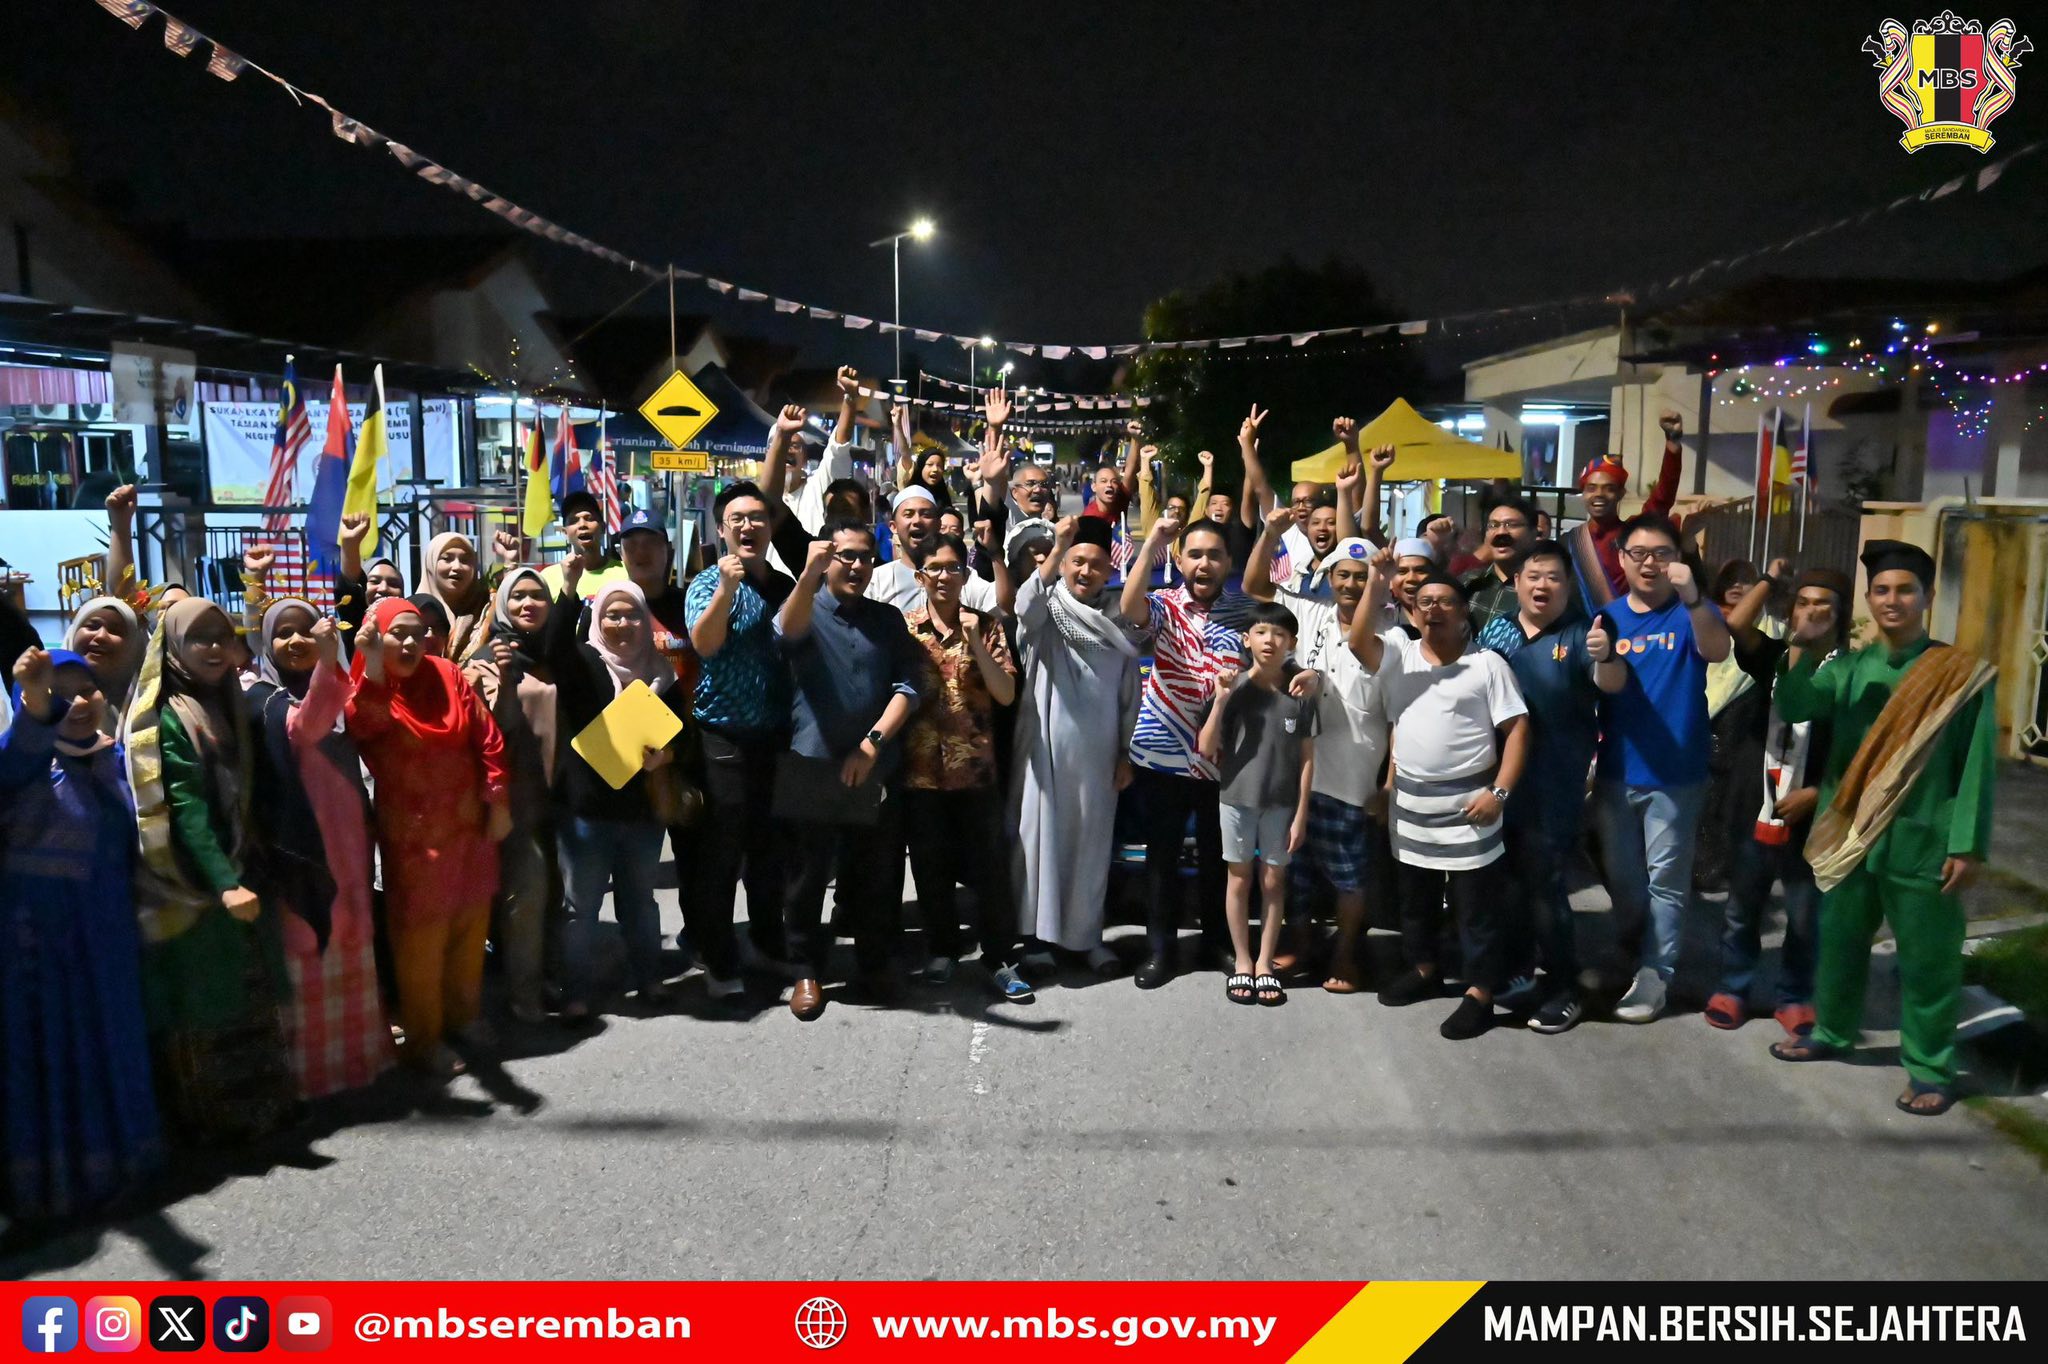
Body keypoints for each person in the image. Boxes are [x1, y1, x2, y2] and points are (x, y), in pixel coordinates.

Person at [1769, 541, 1997, 1117]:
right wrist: (1801, 644)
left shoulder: (1959, 674)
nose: (1892, 600)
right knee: (1840, 943)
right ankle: (1833, 1032)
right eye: (1881, 591)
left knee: (1928, 961)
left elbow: (1977, 764)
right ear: (1868, 601)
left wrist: (1967, 844)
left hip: (1924, 838)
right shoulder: (1848, 669)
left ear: (1927, 597)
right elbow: (1795, 705)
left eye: (1905, 590)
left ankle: (1930, 1068)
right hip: (1852, 836)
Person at [124, 598, 298, 1142]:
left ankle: (263, 1108)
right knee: (206, 1004)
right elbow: (186, 810)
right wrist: (223, 883)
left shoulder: (224, 702)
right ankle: (214, 1122)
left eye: (222, 636)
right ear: (173, 646)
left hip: (242, 870)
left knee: (250, 996)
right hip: (194, 886)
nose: (215, 647)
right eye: (199, 637)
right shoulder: (170, 716)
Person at [2, 648, 161, 1219]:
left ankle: (126, 1165)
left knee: (111, 1041)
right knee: (57, 1051)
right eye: (58, 692)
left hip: (108, 930)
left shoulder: (117, 760)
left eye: (85, 689)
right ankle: (59, 1184)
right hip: (42, 942)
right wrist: (35, 702)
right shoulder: (25, 762)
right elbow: (15, 758)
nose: (76, 701)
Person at [1349, 558, 1529, 1040]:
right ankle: (1424, 968)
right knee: (1415, 901)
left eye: (1445, 602)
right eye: (1425, 601)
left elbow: (1517, 731)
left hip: (1472, 808)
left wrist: (1499, 793)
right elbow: (1358, 643)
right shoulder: (1399, 653)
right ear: (1413, 610)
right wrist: (1375, 582)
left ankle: (1481, 992)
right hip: (1410, 807)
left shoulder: (1487, 664)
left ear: (1464, 612)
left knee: (1476, 910)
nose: (1433, 609)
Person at [349, 597, 512, 1077]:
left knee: (470, 926)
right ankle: (424, 1038)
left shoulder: (447, 673)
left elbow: (487, 736)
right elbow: (364, 725)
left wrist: (498, 800)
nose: (408, 643)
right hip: (414, 835)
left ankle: (464, 1015)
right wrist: (372, 665)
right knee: (420, 940)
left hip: (468, 824)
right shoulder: (370, 687)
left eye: (415, 633)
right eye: (395, 633)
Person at [240, 591, 394, 1098]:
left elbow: (370, 717)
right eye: (282, 633)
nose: (294, 641)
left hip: (348, 838)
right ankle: (312, 1074)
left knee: (352, 936)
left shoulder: (337, 687)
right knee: (308, 941)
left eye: (304, 630)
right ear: (266, 643)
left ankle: (359, 1059)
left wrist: (356, 661)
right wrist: (330, 661)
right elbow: (307, 726)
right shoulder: (261, 697)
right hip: (299, 846)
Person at [775, 522, 925, 1020]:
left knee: (874, 875)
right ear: (826, 559)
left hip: (872, 767)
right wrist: (807, 575)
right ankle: (805, 971)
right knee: (806, 878)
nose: (857, 565)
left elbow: (908, 687)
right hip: (812, 764)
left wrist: (872, 744)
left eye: (865, 557)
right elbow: (785, 631)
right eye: (846, 556)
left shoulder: (887, 619)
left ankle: (873, 964)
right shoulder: (805, 607)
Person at [1478, 542, 1627, 1034]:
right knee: (1509, 884)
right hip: (1499, 783)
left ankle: (1565, 986)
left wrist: (1608, 656)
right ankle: (1519, 969)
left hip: (1553, 786)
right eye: (1534, 575)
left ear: (1568, 585)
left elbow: (1610, 682)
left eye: (1554, 577)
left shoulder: (1584, 633)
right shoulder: (1496, 631)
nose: (1542, 585)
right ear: (1517, 582)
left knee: (1545, 885)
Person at [1589, 512, 1732, 1024]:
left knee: (1666, 880)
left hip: (1676, 774)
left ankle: (1657, 973)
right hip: (1617, 769)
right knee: (1624, 879)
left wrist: (1694, 599)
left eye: (1661, 554)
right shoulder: (1607, 616)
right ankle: (1632, 949)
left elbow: (1718, 649)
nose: (1649, 563)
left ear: (1677, 559)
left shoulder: (1694, 611)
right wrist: (1605, 657)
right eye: (1639, 553)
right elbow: (1608, 686)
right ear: (1622, 559)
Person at [1243, 506, 1386, 994]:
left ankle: (1345, 951)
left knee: (1349, 876)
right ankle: (1302, 944)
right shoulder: (1310, 612)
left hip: (1352, 778)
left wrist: (1388, 785)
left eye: (1361, 576)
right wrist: (1270, 533)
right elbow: (1255, 586)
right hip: (1297, 773)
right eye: (1343, 575)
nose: (1350, 584)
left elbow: (1399, 717)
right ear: (1328, 577)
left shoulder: (1392, 632)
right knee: (1295, 871)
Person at [1705, 565, 1850, 1038]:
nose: (1812, 611)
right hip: (1757, 804)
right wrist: (1768, 579)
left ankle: (1794, 996)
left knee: (1805, 915)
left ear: (1841, 614)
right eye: (1803, 602)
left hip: (1813, 815)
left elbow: (1859, 750)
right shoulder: (1773, 657)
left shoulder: (1850, 672)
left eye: (1823, 603)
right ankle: (1733, 988)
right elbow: (1735, 624)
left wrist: (1819, 793)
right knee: (1741, 908)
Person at [1120, 507, 1257, 988]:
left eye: (1214, 555)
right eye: (1194, 554)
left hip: (1223, 758)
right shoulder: (1164, 605)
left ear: (1228, 562)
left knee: (1220, 857)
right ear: (1179, 561)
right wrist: (1153, 542)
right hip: (1163, 756)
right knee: (1163, 856)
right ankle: (1160, 949)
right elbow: (1130, 607)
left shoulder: (1243, 613)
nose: (1204, 564)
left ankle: (1217, 942)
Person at [546, 568, 691, 1016]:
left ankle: (650, 979)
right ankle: (576, 992)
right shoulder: (583, 662)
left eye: (632, 615)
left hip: (641, 811)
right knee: (581, 908)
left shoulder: (661, 674)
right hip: (586, 812)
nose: (623, 624)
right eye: (612, 615)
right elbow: (553, 648)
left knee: (641, 903)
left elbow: (682, 732)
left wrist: (666, 757)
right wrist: (568, 588)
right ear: (597, 619)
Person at [1009, 517, 1142, 983]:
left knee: (1091, 846)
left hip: (1097, 755)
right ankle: (1037, 941)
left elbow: (1130, 694)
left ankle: (1085, 939)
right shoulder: (1045, 611)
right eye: (1077, 561)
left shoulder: (1119, 621)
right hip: (1044, 752)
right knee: (1039, 843)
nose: (1086, 571)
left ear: (1109, 571)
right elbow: (1023, 605)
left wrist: (1125, 753)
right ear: (1062, 564)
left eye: (1096, 564)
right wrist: (1057, 546)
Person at [900, 533, 1030, 997]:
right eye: (934, 568)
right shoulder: (904, 629)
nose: (943, 576)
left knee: (989, 870)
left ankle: (999, 957)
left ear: (964, 574)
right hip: (920, 771)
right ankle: (942, 949)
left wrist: (975, 641)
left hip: (976, 770)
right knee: (930, 867)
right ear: (920, 577)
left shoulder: (988, 626)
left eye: (952, 567)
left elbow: (1006, 693)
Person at [683, 479, 797, 998]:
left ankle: (768, 944)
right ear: (722, 530)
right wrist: (727, 592)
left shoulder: (783, 584)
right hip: (722, 736)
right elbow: (704, 645)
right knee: (723, 853)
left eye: (758, 518)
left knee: (770, 851)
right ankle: (719, 959)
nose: (749, 526)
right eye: (738, 519)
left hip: (775, 734)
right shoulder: (707, 582)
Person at [1198, 601, 1318, 1008]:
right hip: (1235, 800)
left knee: (1273, 882)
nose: (1270, 641)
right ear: (1246, 640)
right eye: (1262, 633)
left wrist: (1301, 813)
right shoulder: (1232, 687)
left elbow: (1307, 758)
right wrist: (1220, 700)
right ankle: (1243, 961)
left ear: (1291, 642)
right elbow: (1206, 747)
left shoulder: (1300, 692)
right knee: (1239, 879)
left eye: (1279, 634)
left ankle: (1265, 962)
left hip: (1282, 805)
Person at [464, 567, 560, 1023]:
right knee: (525, 895)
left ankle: (545, 980)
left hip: (557, 798)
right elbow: (488, 733)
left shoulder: (557, 652)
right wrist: (504, 678)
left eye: (537, 595)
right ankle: (522, 994)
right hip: (513, 800)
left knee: (551, 897)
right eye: (517, 595)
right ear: (502, 603)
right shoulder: (486, 659)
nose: (528, 604)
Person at [1566, 411, 1685, 615]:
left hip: (1631, 625)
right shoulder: (1569, 542)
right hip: (1583, 630)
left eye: (1609, 488)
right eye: (1591, 488)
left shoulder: (1633, 533)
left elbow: (1663, 497)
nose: (1599, 494)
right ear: (1583, 494)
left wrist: (1672, 444)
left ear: (1621, 493)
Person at [62, 595, 145, 735]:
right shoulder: (45, 693)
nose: (101, 636)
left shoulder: (150, 706)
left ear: (132, 646)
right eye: (92, 627)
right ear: (73, 633)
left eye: (115, 631)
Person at [416, 531, 495, 666]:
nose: (457, 567)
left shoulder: (489, 609)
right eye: (447, 559)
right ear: (431, 563)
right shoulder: (413, 611)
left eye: (465, 560)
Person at [1464, 498, 1539, 631]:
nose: (1501, 532)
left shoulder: (1542, 590)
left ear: (1533, 533)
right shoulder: (1468, 583)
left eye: (1511, 525)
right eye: (1493, 525)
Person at [539, 492, 621, 601]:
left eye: (589, 518)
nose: (582, 525)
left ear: (603, 528)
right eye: (573, 521)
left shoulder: (627, 572)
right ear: (565, 533)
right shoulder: (547, 578)